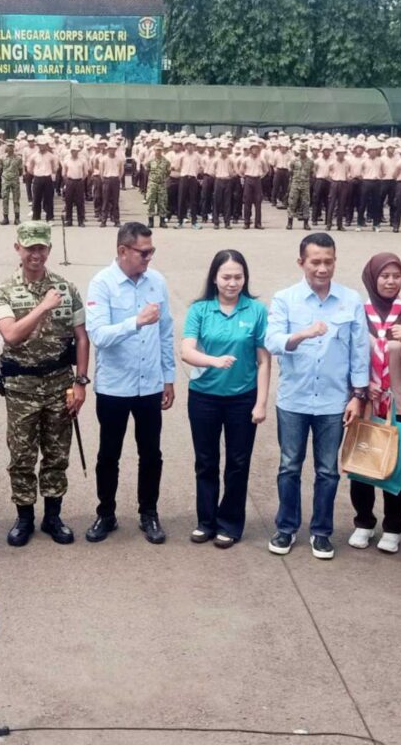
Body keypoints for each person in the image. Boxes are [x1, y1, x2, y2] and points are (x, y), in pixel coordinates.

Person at [265, 232, 368, 560]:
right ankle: (286, 527)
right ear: (302, 263)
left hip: (333, 401)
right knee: (289, 466)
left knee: (327, 470)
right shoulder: (285, 298)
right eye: (316, 262)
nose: (322, 268)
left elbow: (359, 351)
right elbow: (272, 340)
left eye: (328, 261)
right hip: (294, 399)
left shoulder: (350, 300)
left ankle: (321, 532)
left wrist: (358, 395)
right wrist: (302, 335)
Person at [0, 222, 88, 546]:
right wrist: (43, 306)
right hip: (21, 388)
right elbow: (11, 335)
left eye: (41, 247)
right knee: (22, 456)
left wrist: (80, 382)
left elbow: (81, 338)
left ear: (48, 249)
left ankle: (53, 517)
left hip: (60, 384)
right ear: (17, 248)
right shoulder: (3, 290)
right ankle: (24, 518)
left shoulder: (66, 288)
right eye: (29, 247)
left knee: (57, 454)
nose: (35, 253)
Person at [85, 221, 175, 544]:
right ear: (123, 250)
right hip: (115, 387)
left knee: (151, 453)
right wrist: (135, 322)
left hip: (149, 384)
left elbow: (166, 332)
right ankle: (106, 513)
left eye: (151, 251)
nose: (149, 258)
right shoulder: (102, 284)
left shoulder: (157, 282)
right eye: (143, 252)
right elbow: (98, 335)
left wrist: (168, 377)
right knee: (109, 454)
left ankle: (148, 513)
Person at [180, 250, 270, 548]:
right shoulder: (200, 310)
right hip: (204, 397)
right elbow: (186, 351)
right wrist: (213, 361)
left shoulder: (256, 311)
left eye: (238, 277)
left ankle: (229, 523)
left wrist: (261, 402)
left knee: (238, 463)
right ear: (215, 278)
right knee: (206, 461)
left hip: (242, 399)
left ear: (245, 278)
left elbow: (264, 360)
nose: (232, 283)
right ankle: (205, 521)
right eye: (226, 277)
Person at [348, 254, 401, 554]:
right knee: (362, 461)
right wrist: (360, 389)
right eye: (385, 276)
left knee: (395, 464)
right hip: (365, 401)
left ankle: (393, 527)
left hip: (400, 403)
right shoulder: (358, 313)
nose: (391, 281)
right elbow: (349, 355)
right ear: (372, 278)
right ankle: (364, 521)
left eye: (396, 276)